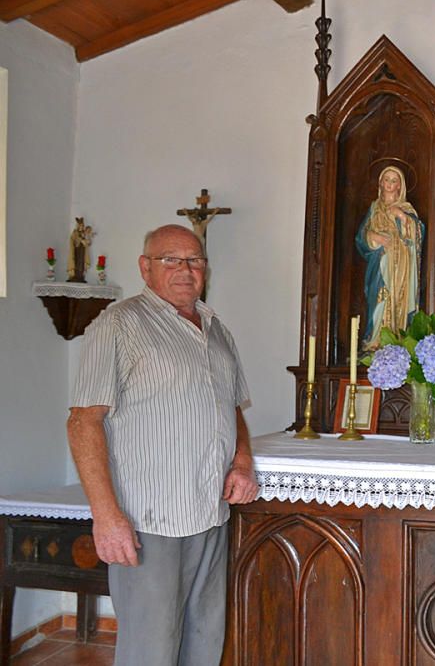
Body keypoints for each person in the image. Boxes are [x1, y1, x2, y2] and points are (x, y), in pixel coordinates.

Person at [67, 224, 257, 666]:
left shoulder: (216, 329)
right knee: (149, 651)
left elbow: (231, 409)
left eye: (195, 260)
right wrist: (106, 516)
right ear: (145, 267)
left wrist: (242, 459)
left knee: (203, 642)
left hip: (210, 512)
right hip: (148, 520)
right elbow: (82, 421)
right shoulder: (118, 323)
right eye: (171, 259)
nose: (185, 269)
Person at [356, 166, 424, 349]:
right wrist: (373, 238)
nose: (390, 184)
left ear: (400, 186)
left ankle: (396, 337)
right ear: (380, 183)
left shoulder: (406, 208)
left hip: (401, 264)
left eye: (394, 181)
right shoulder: (374, 208)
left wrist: (402, 217)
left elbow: (417, 235)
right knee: (379, 296)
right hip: (380, 261)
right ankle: (376, 339)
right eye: (387, 179)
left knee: (397, 298)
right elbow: (360, 236)